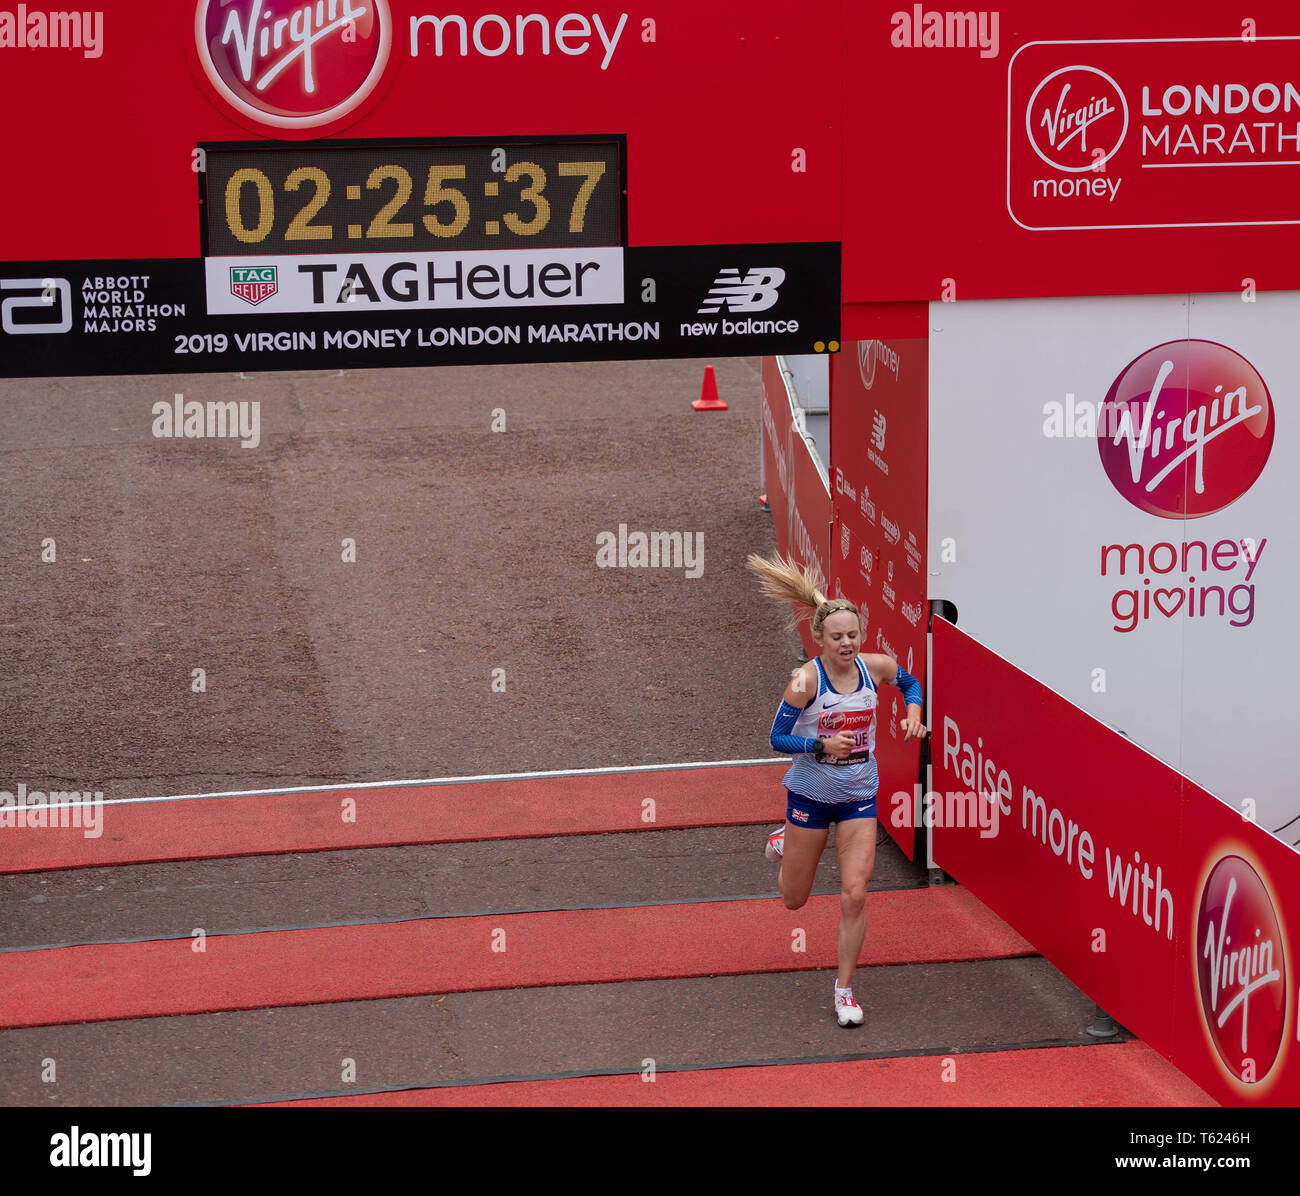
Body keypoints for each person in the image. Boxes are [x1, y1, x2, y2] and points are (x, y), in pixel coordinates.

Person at [746, 551, 927, 1027]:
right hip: (809, 795)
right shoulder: (806, 681)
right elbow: (776, 739)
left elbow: (910, 684)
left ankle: (844, 990)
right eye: (837, 637)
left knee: (855, 894)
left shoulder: (875, 667)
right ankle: (783, 841)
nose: (846, 643)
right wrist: (821, 743)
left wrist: (912, 715)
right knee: (794, 900)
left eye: (853, 636)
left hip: (859, 795)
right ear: (820, 639)